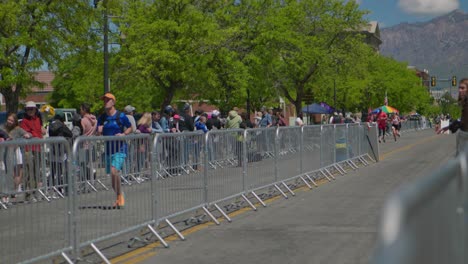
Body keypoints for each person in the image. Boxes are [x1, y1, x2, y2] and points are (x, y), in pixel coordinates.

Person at [97, 93, 132, 208]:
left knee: (114, 171)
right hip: (108, 150)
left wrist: (123, 133)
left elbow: (131, 127)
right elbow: (98, 131)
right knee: (112, 179)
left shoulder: (120, 116)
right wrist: (99, 130)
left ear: (113, 102)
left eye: (107, 100)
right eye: (104, 100)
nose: (105, 102)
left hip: (120, 148)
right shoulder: (102, 117)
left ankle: (120, 196)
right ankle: (119, 195)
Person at [20, 101, 46, 201]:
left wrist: (42, 130)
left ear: (35, 109)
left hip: (38, 148)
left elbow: (40, 131)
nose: (31, 111)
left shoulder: (39, 119)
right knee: (29, 171)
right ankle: (28, 194)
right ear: (26, 110)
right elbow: (25, 133)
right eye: (28, 109)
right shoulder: (24, 121)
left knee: (36, 171)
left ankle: (35, 192)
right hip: (28, 149)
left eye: (32, 109)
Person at [437, 78, 468, 155]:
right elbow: (461, 120)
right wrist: (449, 126)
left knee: (457, 164)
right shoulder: (465, 103)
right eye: (459, 88)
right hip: (463, 137)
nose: (460, 90)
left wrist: (451, 126)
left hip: (465, 137)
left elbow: (463, 122)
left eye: (463, 88)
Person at [4, 113, 31, 199]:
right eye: (9, 120)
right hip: (5, 153)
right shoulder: (3, 128)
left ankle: (15, 189)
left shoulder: (18, 129)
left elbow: (27, 134)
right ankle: (10, 190)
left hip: (15, 152)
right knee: (8, 172)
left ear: (15, 122)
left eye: (12, 120)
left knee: (17, 173)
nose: (10, 122)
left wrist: (27, 135)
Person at [48, 112, 73, 195]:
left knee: (53, 170)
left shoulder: (50, 125)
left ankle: (52, 187)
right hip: (61, 150)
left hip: (53, 149)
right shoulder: (62, 126)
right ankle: (60, 187)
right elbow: (70, 134)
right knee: (61, 170)